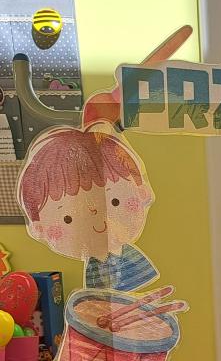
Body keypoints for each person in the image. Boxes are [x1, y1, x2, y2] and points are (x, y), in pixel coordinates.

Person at [17, 125, 158, 291]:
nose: (96, 217)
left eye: (115, 201)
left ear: (142, 193)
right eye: (68, 218)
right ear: (40, 228)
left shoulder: (129, 257)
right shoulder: (93, 266)